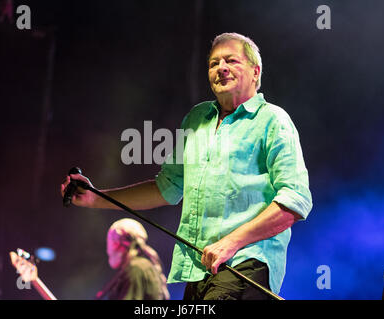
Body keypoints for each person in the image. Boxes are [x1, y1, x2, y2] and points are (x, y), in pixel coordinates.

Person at [61, 32, 312, 300]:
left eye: (231, 60)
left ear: (255, 71)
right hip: (198, 271)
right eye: (214, 63)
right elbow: (166, 188)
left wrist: (231, 242)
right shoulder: (197, 118)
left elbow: (295, 202)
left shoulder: (273, 120)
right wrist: (94, 197)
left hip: (246, 266)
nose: (221, 68)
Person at [96, 218, 170, 300]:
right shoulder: (143, 266)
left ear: (120, 244)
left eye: (110, 242)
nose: (108, 250)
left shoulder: (136, 268)